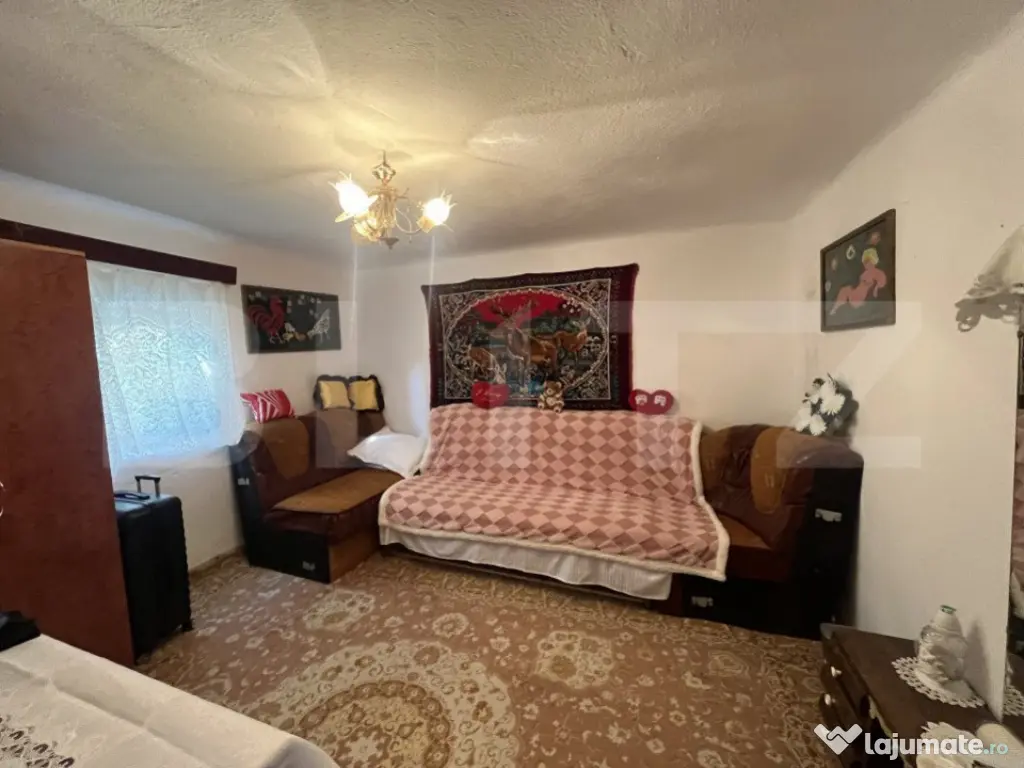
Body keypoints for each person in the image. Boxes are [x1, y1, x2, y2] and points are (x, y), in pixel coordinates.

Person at [831, 247, 887, 315]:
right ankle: (835, 308)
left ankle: (836, 307)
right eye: (865, 262)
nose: (866, 264)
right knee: (844, 290)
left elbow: (882, 281)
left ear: (873, 261)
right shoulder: (864, 273)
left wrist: (876, 288)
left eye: (868, 261)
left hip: (861, 296)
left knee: (846, 291)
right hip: (856, 291)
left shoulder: (877, 272)